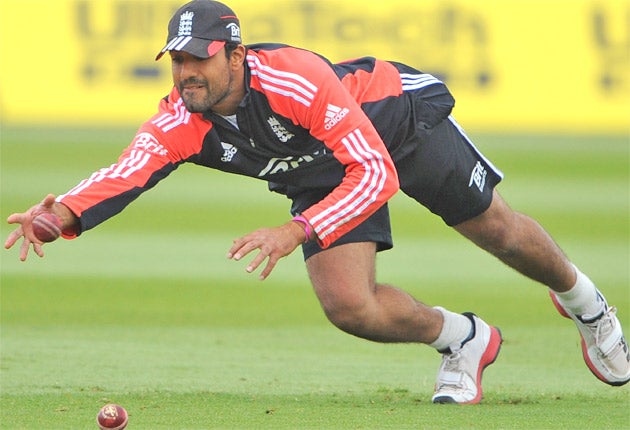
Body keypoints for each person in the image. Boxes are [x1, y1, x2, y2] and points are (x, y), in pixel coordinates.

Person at [5, 0, 629, 404]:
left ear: (236, 54)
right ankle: (464, 339)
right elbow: (128, 170)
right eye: (177, 61)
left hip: (393, 126)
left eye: (200, 59)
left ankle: (587, 304)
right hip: (315, 170)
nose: (186, 72)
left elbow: (374, 172)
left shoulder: (294, 80)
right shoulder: (181, 118)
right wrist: (57, 216)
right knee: (350, 307)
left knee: (499, 231)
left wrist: (295, 231)